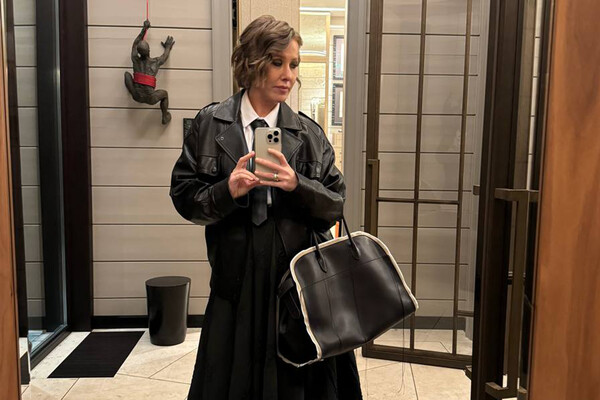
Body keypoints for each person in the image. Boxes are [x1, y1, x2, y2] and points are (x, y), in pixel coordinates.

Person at [170, 15, 362, 400]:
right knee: (229, 378)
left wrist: (296, 185)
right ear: (251, 61)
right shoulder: (209, 125)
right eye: (277, 62)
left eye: (294, 64)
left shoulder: (310, 134)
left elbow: (335, 205)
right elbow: (185, 197)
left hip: (296, 281)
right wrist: (227, 190)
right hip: (234, 278)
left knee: (298, 381)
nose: (288, 75)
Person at [124, 19, 174, 124]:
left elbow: (135, 43)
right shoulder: (155, 62)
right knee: (165, 94)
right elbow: (165, 56)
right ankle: (165, 115)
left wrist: (144, 29)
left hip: (136, 96)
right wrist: (168, 47)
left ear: (138, 52)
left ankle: (133, 90)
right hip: (150, 98)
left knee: (127, 75)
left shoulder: (135, 59)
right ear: (149, 51)